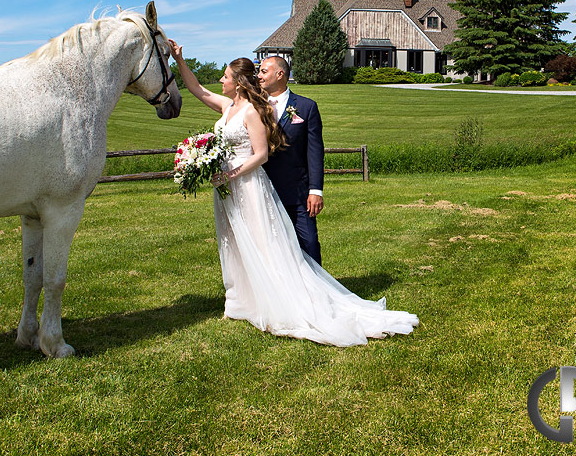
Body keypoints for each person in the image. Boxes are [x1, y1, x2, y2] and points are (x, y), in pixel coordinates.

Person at [168, 43, 418, 346]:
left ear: (241, 80)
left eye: (225, 76)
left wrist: (314, 188)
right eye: (257, 72)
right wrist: (179, 59)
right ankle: (240, 301)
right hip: (229, 190)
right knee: (234, 242)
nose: (220, 81)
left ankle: (302, 295)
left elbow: (271, 153)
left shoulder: (263, 109)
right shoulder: (230, 106)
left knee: (275, 244)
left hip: (256, 185)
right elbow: (196, 88)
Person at [256, 56, 324, 264]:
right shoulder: (253, 107)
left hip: (297, 192)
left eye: (264, 71)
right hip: (261, 189)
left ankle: (318, 290)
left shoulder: (306, 107)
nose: (259, 76)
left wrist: (315, 190)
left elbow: (314, 152)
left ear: (280, 74)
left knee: (309, 242)